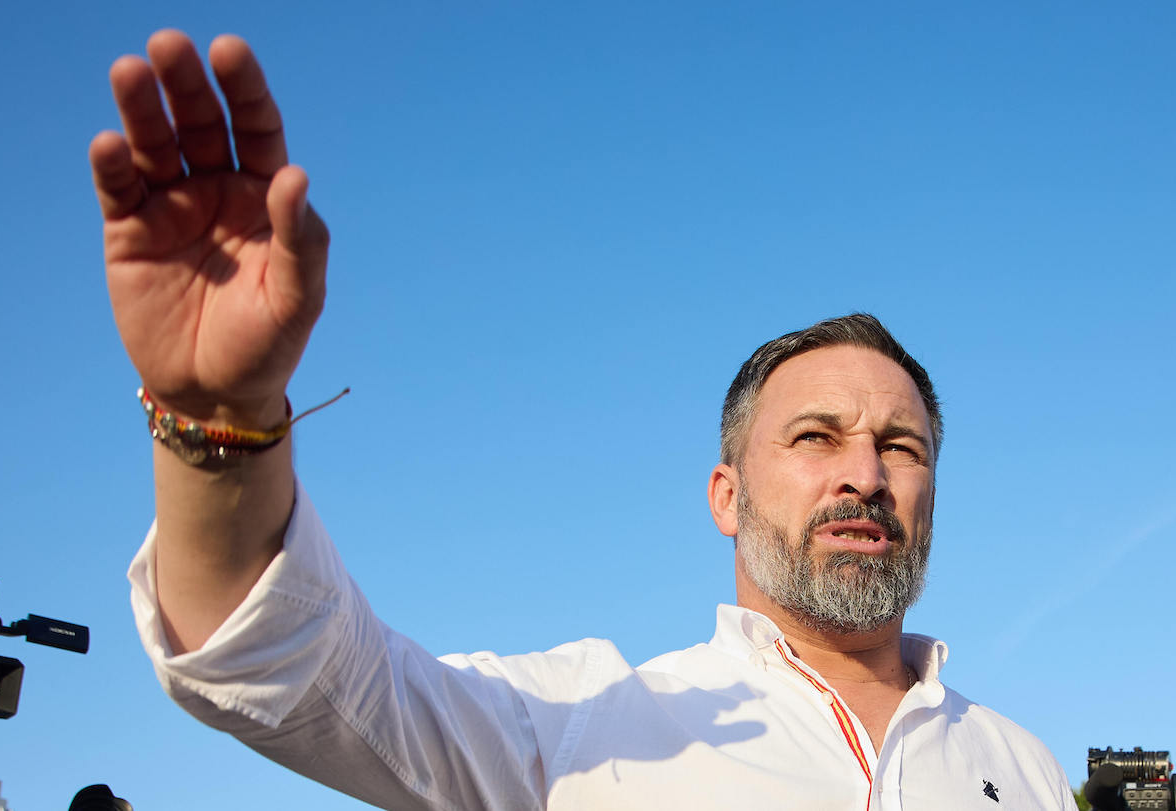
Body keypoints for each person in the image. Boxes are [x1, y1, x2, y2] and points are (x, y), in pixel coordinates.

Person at [93, 30, 1075, 810]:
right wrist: (215, 414)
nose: (862, 471)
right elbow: (291, 670)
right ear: (723, 494)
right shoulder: (582, 723)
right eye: (814, 436)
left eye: (898, 445)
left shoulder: (1020, 767)